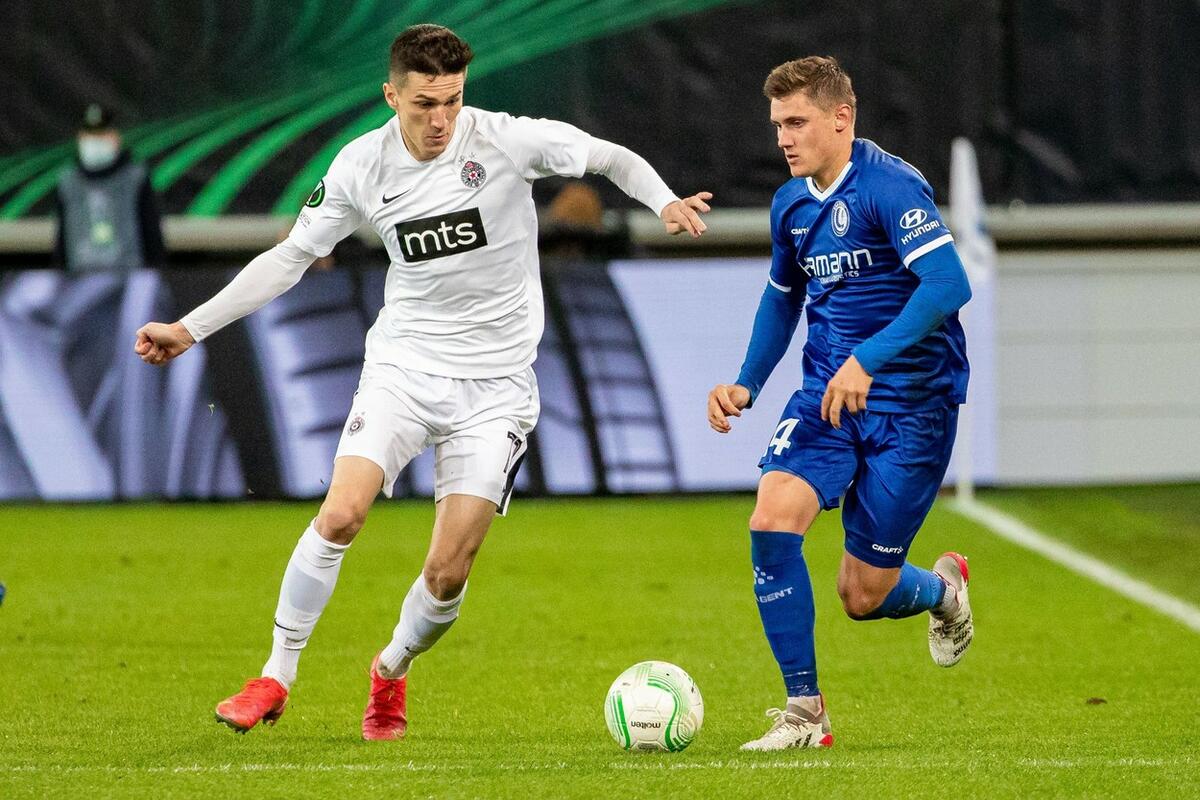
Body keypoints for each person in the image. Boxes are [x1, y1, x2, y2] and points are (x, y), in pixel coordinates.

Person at [134, 24, 711, 740]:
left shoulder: (504, 140)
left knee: (447, 573)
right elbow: (289, 258)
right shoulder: (360, 165)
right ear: (391, 96)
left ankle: (391, 667)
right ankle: (274, 677)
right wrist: (190, 328)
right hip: (403, 371)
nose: (441, 119)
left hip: (496, 389)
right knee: (341, 513)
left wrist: (663, 201)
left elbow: (607, 156)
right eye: (424, 104)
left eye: (452, 100)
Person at [706, 56, 974, 751]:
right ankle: (805, 712)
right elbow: (782, 298)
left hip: (913, 407)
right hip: (826, 396)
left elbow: (948, 285)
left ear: (841, 118)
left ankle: (942, 593)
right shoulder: (790, 203)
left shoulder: (891, 187)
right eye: (777, 125)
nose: (784, 138)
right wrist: (746, 383)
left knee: (862, 595)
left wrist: (868, 359)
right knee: (771, 520)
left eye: (797, 122)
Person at [55, 103, 165, 273]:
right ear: (80, 138)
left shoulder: (135, 177)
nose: (96, 140)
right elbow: (62, 240)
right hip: (81, 277)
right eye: (91, 135)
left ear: (115, 137)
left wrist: (155, 273)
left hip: (128, 275)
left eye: (102, 134)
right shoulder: (68, 182)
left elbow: (151, 235)